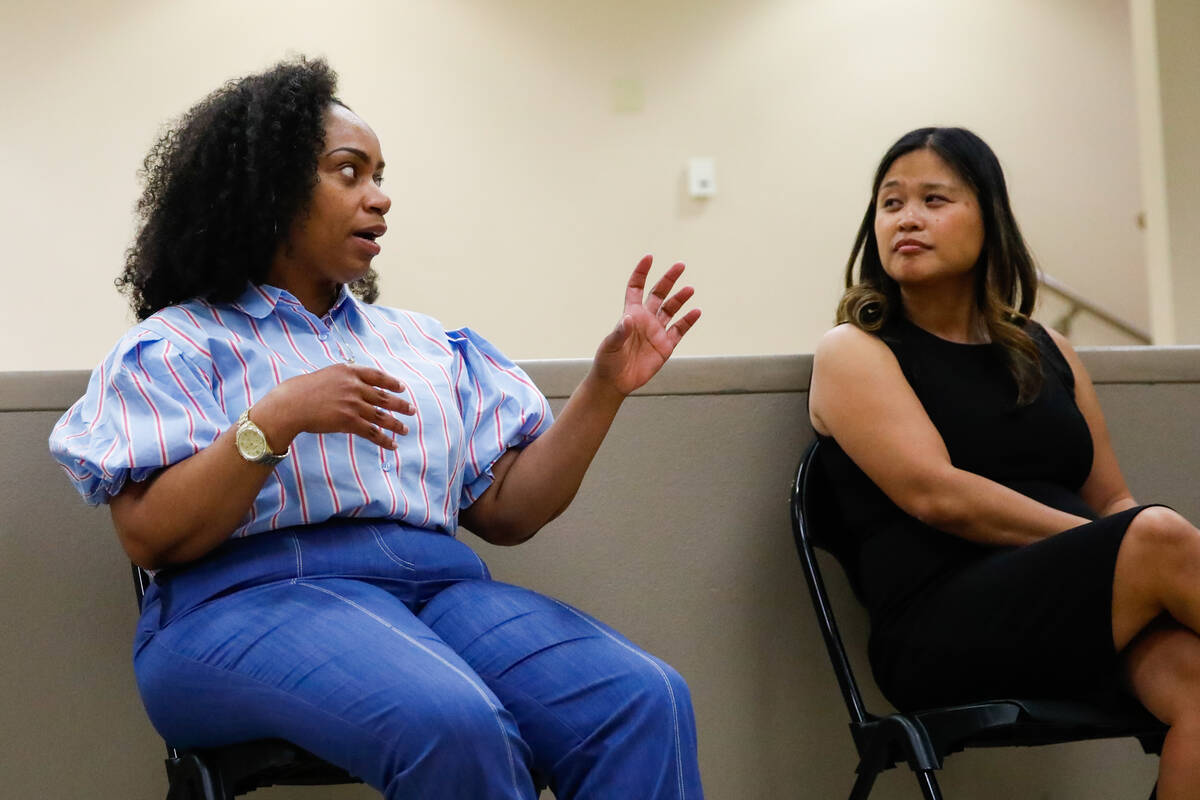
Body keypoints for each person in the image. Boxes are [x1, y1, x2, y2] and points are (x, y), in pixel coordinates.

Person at [49, 57, 704, 800]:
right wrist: (276, 418)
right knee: (452, 720)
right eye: (350, 172)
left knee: (643, 700)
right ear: (270, 191)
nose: (381, 198)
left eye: (381, 175)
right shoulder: (178, 345)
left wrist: (604, 388)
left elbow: (508, 512)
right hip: (240, 602)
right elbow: (149, 537)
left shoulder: (424, 344)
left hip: (440, 591)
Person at [808, 126, 1200, 798]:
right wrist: (1116, 551)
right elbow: (938, 496)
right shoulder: (854, 349)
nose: (907, 217)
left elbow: (1112, 501)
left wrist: (1121, 546)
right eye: (891, 202)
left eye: (935, 199)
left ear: (990, 220)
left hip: (1078, 610)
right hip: (943, 628)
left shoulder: (1047, 348)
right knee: (1157, 534)